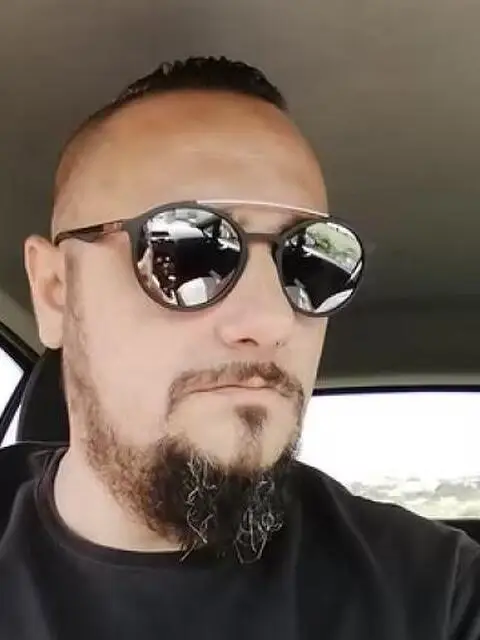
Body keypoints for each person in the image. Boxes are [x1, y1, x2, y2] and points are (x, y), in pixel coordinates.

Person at [0, 56, 478, 639]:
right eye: (188, 251)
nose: (272, 319)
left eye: (309, 259)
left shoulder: (435, 594)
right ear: (54, 292)